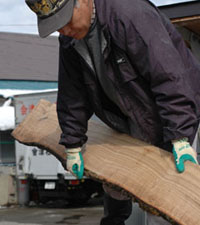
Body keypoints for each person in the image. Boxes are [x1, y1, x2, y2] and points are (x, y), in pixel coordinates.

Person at [25, 0, 200, 224]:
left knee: (166, 195)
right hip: (127, 116)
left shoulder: (130, 14)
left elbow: (169, 76)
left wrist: (179, 136)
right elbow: (72, 93)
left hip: (170, 112)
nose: (64, 29)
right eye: (56, 24)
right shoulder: (70, 40)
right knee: (115, 183)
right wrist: (73, 143)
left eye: (66, 19)